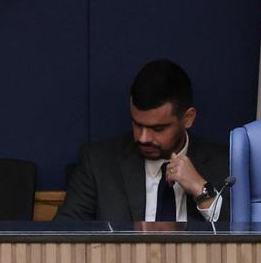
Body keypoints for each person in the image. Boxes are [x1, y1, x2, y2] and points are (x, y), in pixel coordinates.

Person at [56, 59, 229, 222]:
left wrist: (201, 189)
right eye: (137, 124)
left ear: (188, 118)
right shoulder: (98, 162)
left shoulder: (223, 164)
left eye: (158, 129)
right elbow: (63, 235)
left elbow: (245, 242)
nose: (143, 138)